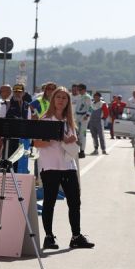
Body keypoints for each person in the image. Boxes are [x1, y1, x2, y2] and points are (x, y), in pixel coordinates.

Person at [32, 86, 94, 250]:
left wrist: (72, 140)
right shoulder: (46, 119)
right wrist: (57, 137)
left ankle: (76, 236)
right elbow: (36, 143)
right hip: (50, 166)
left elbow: (70, 144)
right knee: (49, 202)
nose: (61, 100)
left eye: (64, 98)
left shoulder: (69, 121)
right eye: (58, 97)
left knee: (75, 201)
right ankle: (49, 237)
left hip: (68, 165)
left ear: (68, 102)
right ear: (53, 100)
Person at [71, 83, 93, 158]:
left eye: (80, 90)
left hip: (84, 116)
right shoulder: (79, 96)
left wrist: (87, 115)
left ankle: (82, 151)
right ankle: (76, 150)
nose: (78, 91)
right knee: (75, 133)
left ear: (84, 90)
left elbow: (91, 107)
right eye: (78, 90)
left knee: (82, 134)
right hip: (77, 116)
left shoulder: (87, 97)